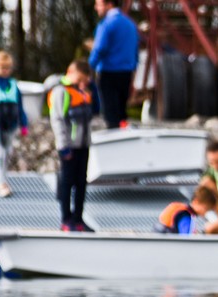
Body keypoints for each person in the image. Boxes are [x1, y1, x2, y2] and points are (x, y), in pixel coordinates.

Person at [49, 60, 94, 232]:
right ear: (70, 73)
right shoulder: (61, 91)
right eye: (81, 79)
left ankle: (78, 218)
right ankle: (66, 218)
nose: (83, 83)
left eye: (86, 80)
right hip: (68, 146)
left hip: (83, 145)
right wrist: (63, 145)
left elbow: (94, 109)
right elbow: (58, 120)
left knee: (82, 182)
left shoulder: (84, 92)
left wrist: (87, 88)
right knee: (67, 182)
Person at [89, 0, 138, 129]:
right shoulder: (130, 24)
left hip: (108, 73)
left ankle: (113, 141)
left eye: (98, 4)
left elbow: (99, 48)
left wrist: (88, 68)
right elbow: (135, 51)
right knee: (121, 114)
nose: (96, 8)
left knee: (110, 115)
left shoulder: (106, 24)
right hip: (126, 73)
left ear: (109, 4)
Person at [0, 50, 27, 198]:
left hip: (11, 125)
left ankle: (4, 178)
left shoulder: (13, 84)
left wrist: (23, 124)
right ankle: (1, 183)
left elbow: (20, 106)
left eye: (8, 68)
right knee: (0, 153)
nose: (5, 71)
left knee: (8, 153)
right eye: (2, 67)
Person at [153, 185, 218, 234]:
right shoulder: (185, 214)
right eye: (205, 208)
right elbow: (186, 236)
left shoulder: (177, 206)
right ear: (196, 201)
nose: (205, 212)